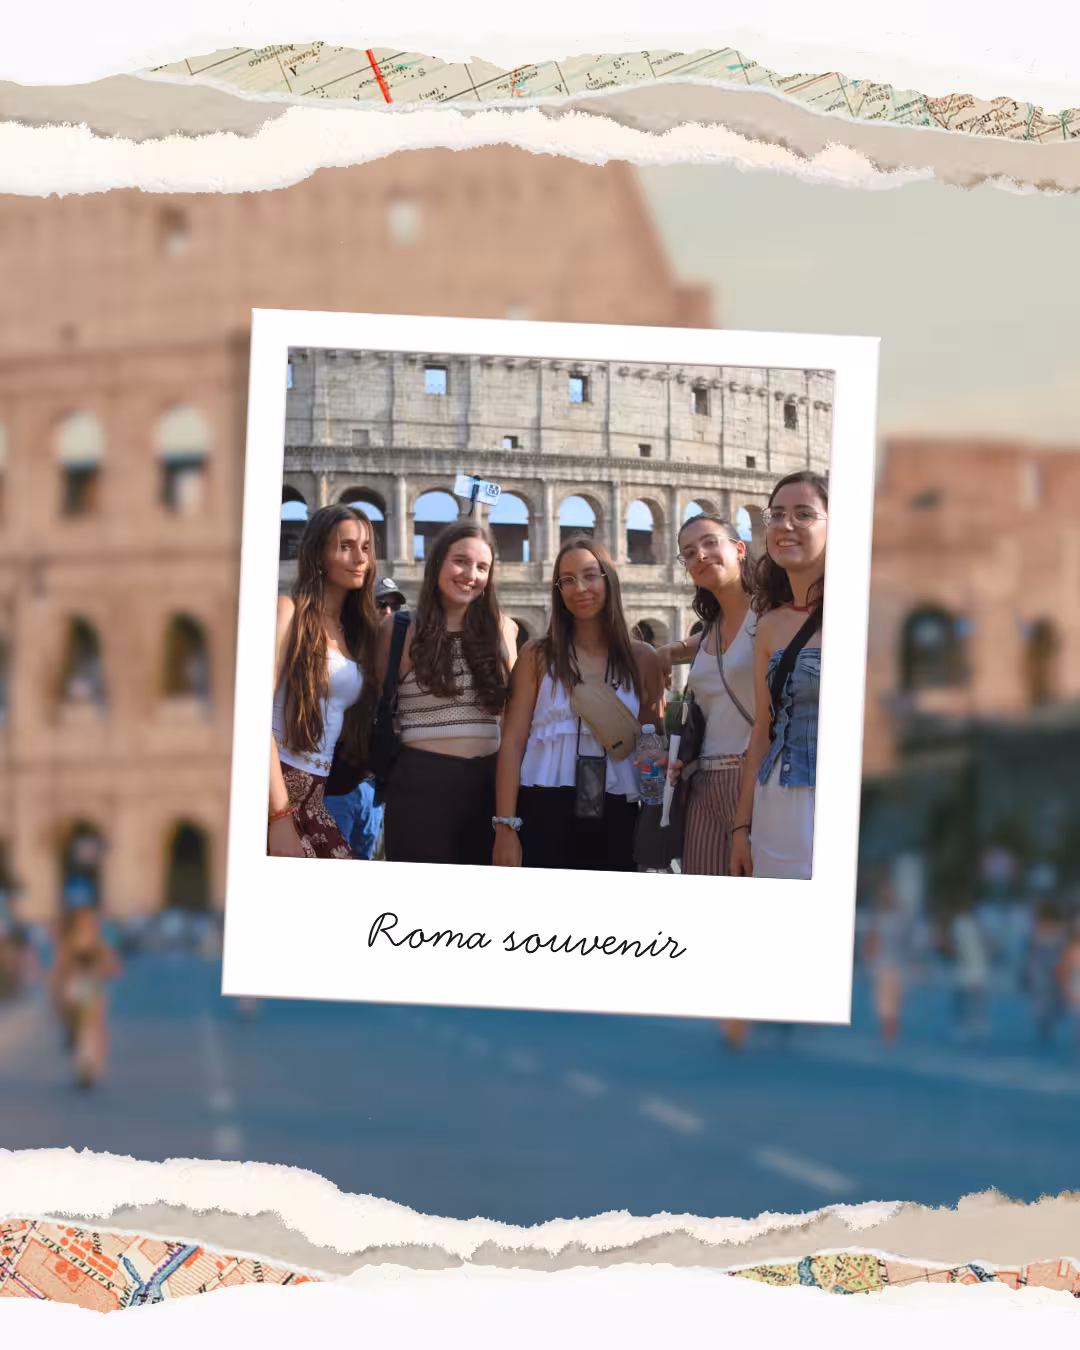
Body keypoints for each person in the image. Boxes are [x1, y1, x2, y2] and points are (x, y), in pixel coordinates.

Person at [494, 537, 664, 872]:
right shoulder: (536, 655)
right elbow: (512, 743)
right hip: (543, 803)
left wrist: (655, 819)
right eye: (567, 580)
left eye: (590, 575)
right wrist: (504, 827)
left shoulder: (642, 658)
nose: (580, 588)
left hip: (619, 808)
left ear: (608, 579)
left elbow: (650, 744)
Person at [378, 522, 518, 866]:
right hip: (420, 784)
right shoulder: (398, 629)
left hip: (488, 785)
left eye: (482, 567)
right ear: (437, 562)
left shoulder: (503, 628)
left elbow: (515, 715)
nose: (471, 574)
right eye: (460, 561)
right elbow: (375, 706)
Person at [730, 471, 827, 881]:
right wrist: (741, 828)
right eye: (777, 514)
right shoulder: (769, 624)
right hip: (775, 807)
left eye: (804, 514)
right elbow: (762, 733)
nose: (785, 526)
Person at [269, 504, 380, 858]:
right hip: (274, 783)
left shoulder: (358, 633)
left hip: (317, 794)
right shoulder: (288, 612)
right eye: (345, 546)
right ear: (319, 554)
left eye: (365, 548)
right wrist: (278, 815)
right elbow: (251, 715)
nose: (359, 558)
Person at [656, 512, 756, 877]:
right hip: (701, 782)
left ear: (739, 548)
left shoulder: (771, 616)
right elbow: (703, 646)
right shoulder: (712, 629)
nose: (700, 554)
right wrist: (669, 651)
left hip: (754, 779)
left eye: (710, 542)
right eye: (688, 552)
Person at [50, 904, 121, 1089]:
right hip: (74, 985)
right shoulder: (69, 941)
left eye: (90, 920)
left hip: (92, 985)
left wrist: (109, 969)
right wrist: (59, 977)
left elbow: (112, 963)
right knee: (65, 1009)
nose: (87, 923)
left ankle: (94, 1057)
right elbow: (61, 963)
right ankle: (70, 1033)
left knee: (97, 1021)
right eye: (84, 920)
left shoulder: (99, 942)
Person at [1024, 900, 1065, 1047]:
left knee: (1052, 1001)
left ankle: (1047, 1023)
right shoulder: (1037, 931)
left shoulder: (1056, 930)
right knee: (1042, 1000)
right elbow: (1031, 953)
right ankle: (1045, 1024)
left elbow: (1062, 952)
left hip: (1052, 971)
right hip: (1041, 971)